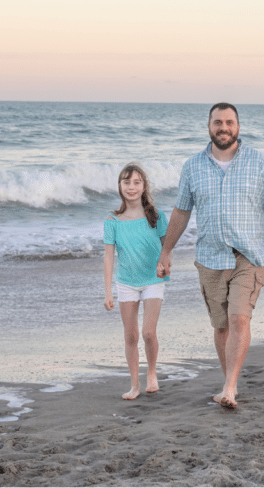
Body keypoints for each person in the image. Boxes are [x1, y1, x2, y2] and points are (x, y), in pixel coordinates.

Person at [156, 103, 264, 410]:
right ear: (209, 126)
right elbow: (182, 212)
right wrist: (166, 251)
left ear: (238, 126)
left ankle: (230, 387)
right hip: (210, 257)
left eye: (229, 122)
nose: (224, 127)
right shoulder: (193, 166)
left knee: (239, 317)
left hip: (248, 256)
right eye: (218, 122)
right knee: (221, 325)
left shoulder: (259, 162)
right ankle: (228, 383)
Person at [104, 164, 169, 400]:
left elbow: (167, 247)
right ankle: (134, 385)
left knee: (148, 333)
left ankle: (151, 372)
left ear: (144, 186)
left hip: (153, 279)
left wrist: (165, 263)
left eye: (136, 182)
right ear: (120, 186)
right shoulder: (113, 220)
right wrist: (108, 291)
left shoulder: (157, 215)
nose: (131, 187)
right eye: (126, 182)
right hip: (126, 283)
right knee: (130, 335)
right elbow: (109, 256)